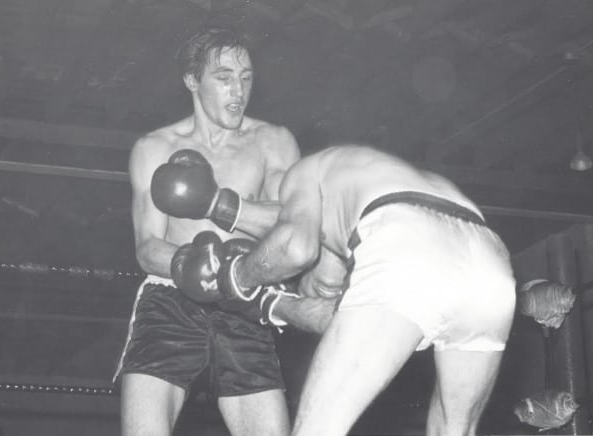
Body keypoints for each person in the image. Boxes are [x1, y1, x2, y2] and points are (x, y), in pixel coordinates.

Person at [215, 144, 517, 436]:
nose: (322, 292)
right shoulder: (367, 180)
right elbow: (335, 314)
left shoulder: (302, 174)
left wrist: (236, 277)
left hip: (408, 234)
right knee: (456, 431)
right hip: (489, 261)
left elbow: (295, 248)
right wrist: (273, 304)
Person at [113, 26, 301, 436]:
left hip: (245, 297)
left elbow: (293, 224)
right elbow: (147, 246)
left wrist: (220, 204)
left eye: (246, 76)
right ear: (191, 80)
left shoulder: (273, 141)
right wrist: (187, 263)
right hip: (170, 297)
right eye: (224, 77)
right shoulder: (155, 148)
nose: (238, 89)